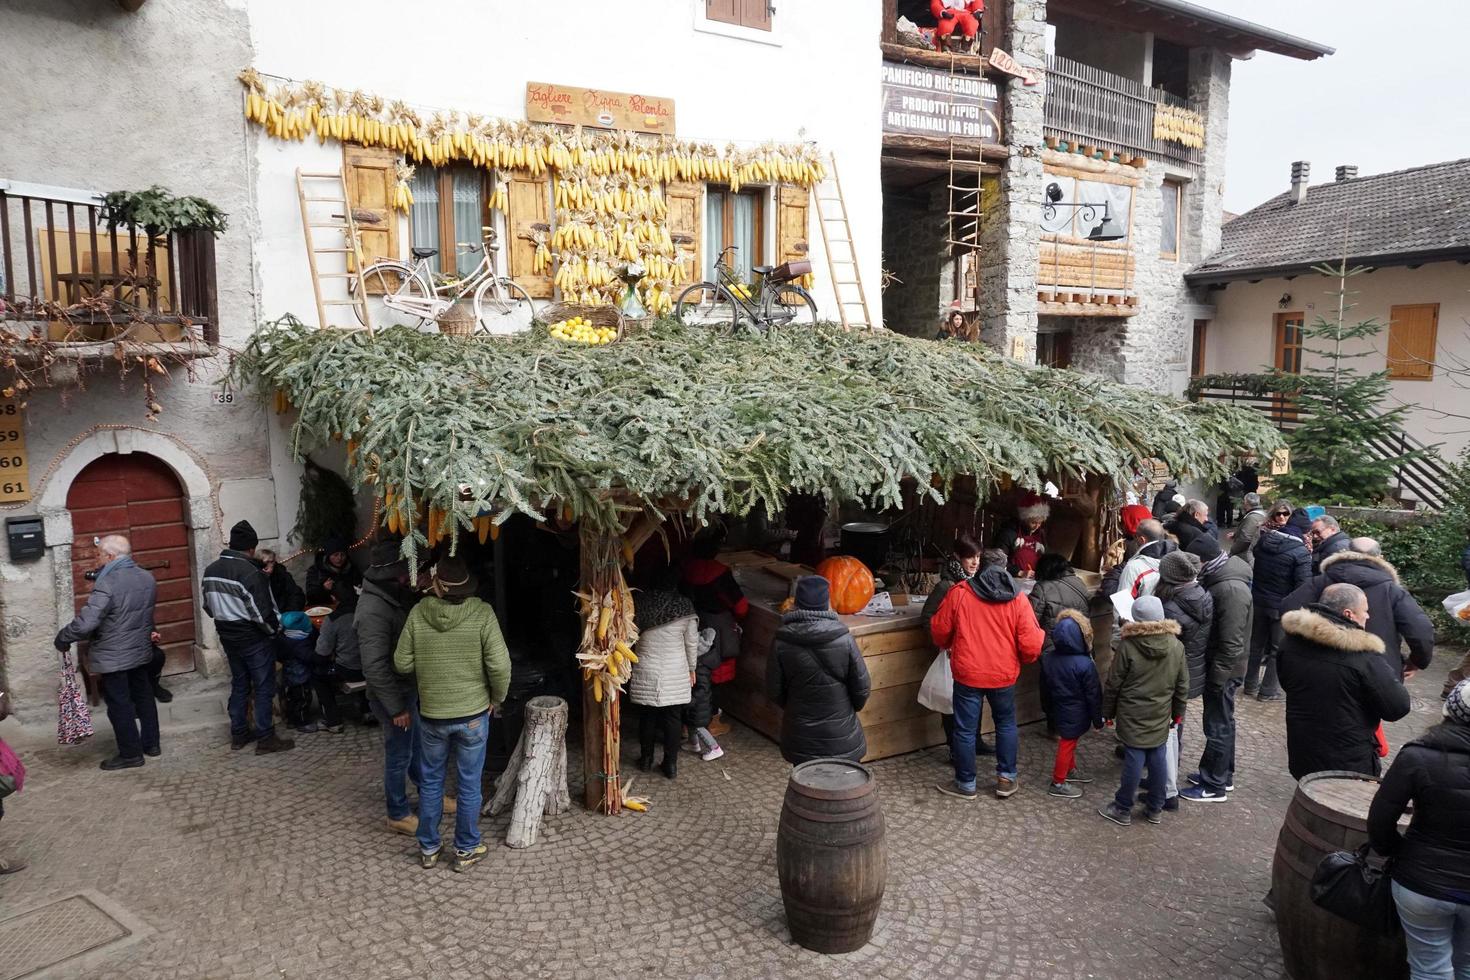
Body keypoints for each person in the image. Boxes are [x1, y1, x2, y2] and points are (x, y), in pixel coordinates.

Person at [393, 556, 510, 874]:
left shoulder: (418, 613)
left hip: (432, 714)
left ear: (437, 585)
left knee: (431, 782)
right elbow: (500, 665)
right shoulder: (482, 613)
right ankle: (466, 849)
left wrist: (431, 666)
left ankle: (429, 847)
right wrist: (496, 698)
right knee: (469, 785)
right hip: (473, 714)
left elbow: (401, 663)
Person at [1367, 680, 1470, 978]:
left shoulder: (1418, 755)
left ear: (1450, 711)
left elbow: (1380, 818)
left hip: (1422, 883)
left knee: (1430, 968)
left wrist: (1395, 852)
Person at [931, 558, 1045, 800]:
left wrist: (948, 644)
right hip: (1003, 674)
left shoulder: (959, 593)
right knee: (1005, 724)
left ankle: (965, 783)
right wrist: (1023, 659)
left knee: (964, 729)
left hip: (968, 673)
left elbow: (940, 630)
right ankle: (1006, 779)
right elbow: (1032, 642)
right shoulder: (1018, 599)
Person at [1277, 582, 1411, 780]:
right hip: (1349, 761)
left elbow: (1286, 683)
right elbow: (1397, 707)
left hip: (1303, 750)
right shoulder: (1363, 657)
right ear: (1348, 614)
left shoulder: (1290, 642)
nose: (1368, 616)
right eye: (1365, 610)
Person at [54, 534, 161, 770]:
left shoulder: (108, 582)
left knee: (119, 704)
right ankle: (152, 744)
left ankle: (131, 754)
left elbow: (86, 623)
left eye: (99, 554)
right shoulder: (147, 577)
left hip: (114, 654)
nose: (97, 558)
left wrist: (64, 637)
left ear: (110, 556)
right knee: (144, 696)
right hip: (140, 649)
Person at [1281, 538, 1434, 686]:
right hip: (1377, 670)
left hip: (1321, 665)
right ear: (1380, 557)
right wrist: (1416, 662)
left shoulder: (1321, 581)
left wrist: (1306, 640)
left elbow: (1288, 608)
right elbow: (1421, 631)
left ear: (1347, 552)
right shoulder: (1392, 591)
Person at [356, 540, 430, 836]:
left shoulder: (390, 596)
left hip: (404, 689)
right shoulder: (373, 611)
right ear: (392, 576)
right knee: (399, 755)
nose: (408, 577)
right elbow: (374, 667)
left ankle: (429, 794)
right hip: (392, 696)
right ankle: (397, 812)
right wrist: (396, 707)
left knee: (416, 747)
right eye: (404, 573)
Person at [201, 521, 294, 754]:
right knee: (263, 687)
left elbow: (208, 608)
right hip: (253, 639)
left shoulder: (211, 570)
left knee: (240, 683)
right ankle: (265, 738)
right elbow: (262, 615)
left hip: (228, 637)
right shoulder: (250, 573)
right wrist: (275, 632)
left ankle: (239, 734)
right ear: (251, 549)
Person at [1098, 596, 1188, 827]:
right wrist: (1177, 714)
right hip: (1160, 712)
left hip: (1132, 712)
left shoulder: (1128, 646)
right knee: (1158, 758)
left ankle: (1122, 807)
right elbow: (1181, 685)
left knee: (1134, 759)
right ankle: (1155, 807)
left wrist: (1107, 712)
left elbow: (1114, 682)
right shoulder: (1176, 646)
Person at [766, 576, 870, 765]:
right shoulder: (844, 639)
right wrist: (844, 710)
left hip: (800, 735)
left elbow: (774, 690)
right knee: (844, 788)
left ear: (797, 604)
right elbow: (862, 688)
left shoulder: (781, 641)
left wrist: (794, 708)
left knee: (806, 785)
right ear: (826, 603)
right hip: (842, 735)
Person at [1180, 536, 1252, 803]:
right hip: (1224, 665)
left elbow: (1232, 641)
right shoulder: (1222, 577)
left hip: (1225, 669)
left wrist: (1218, 677)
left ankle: (1214, 785)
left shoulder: (1230, 588)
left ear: (1202, 562)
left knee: (1218, 724)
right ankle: (1221, 774)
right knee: (1222, 721)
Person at [920, 536, 994, 757]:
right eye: (970, 557)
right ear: (958, 558)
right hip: (953, 654)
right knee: (952, 702)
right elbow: (927, 618)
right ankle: (955, 748)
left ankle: (976, 740)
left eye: (978, 557)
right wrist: (944, 643)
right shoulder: (946, 586)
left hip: (975, 652)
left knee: (976, 698)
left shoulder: (979, 581)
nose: (975, 562)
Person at [1156, 550, 1213, 809]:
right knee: (1175, 725)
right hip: (1191, 670)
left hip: (1170, 675)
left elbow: (1161, 645)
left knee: (1165, 730)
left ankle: (1165, 789)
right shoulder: (1203, 595)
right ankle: (1167, 777)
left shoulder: (1171, 606)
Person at [630, 575, 701, 778]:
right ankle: (670, 765)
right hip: (675, 670)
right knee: (673, 718)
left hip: (646, 667)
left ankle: (645, 759)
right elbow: (691, 642)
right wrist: (692, 668)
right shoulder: (685, 606)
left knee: (647, 717)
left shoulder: (638, 605)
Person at [681, 531, 749, 737]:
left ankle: (685, 723)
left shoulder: (685, 569)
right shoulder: (719, 573)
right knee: (717, 675)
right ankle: (712, 722)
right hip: (718, 630)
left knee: (690, 675)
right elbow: (741, 607)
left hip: (690, 624)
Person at [1245, 502, 1311, 701]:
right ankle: (1268, 690)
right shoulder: (1300, 552)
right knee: (1276, 649)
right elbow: (1303, 585)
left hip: (1259, 600)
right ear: (1304, 531)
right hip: (1281, 607)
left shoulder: (1265, 541)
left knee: (1256, 644)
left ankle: (1249, 684)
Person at [1040, 610, 1102, 799]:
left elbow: (1043, 687)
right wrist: (1098, 719)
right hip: (1077, 711)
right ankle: (1058, 781)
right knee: (1067, 744)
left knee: (1069, 740)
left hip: (1058, 708)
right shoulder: (1085, 664)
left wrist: (1047, 708)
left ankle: (1070, 769)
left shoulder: (1048, 658)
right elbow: (1094, 694)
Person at [1030, 553, 1091, 651]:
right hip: (1080, 642)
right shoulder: (1079, 582)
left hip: (1053, 647)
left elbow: (1030, 619)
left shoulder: (1042, 588)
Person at [1115, 519, 1176, 601]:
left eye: (1135, 536)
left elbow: (1124, 604)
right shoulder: (1179, 559)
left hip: (1142, 613)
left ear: (1142, 539)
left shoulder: (1134, 567)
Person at [993, 492, 1050, 579]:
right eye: (1033, 522)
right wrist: (1019, 572)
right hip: (1012, 579)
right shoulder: (1009, 534)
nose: (1037, 526)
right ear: (1024, 518)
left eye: (1040, 523)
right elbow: (998, 561)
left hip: (1034, 579)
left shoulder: (1040, 535)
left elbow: (1045, 557)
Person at [305, 536, 361, 606]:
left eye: (342, 555)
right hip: (321, 609)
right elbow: (310, 596)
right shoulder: (316, 570)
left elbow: (360, 589)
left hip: (348, 607)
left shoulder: (351, 569)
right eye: (335, 555)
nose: (339, 558)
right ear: (328, 556)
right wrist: (324, 589)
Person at [258, 548, 306, 613]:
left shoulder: (282, 575)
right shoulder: (255, 577)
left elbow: (296, 595)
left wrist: (289, 613)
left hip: (285, 613)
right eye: (265, 562)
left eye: (271, 562)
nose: (268, 566)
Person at [1229, 492, 1267, 568]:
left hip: (1246, 557)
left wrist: (1233, 550)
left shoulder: (1252, 518)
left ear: (1246, 502)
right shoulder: (1262, 514)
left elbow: (1245, 538)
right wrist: (1236, 534)